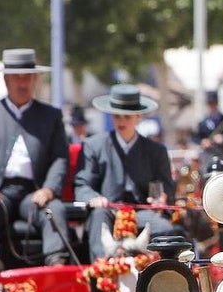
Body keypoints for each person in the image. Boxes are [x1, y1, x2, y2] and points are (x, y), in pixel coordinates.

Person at [0, 48, 70, 273]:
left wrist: (49, 190)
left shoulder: (51, 116)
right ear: (6, 78)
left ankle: (57, 264)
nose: (22, 83)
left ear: (36, 79)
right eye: (17, 77)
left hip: (34, 192)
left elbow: (60, 158)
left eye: (27, 77)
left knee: (54, 210)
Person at [75, 84, 182, 259]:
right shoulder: (93, 145)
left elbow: (165, 188)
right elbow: (82, 184)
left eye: (127, 116)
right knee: (98, 218)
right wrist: (93, 197)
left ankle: (160, 280)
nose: (121, 121)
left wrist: (161, 199)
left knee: (166, 230)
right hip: (107, 211)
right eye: (117, 116)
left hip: (142, 213)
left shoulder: (156, 151)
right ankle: (101, 276)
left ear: (138, 116)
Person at [194, 90, 223, 169]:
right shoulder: (203, 123)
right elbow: (195, 136)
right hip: (209, 154)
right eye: (209, 103)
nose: (211, 106)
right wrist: (203, 142)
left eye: (213, 103)